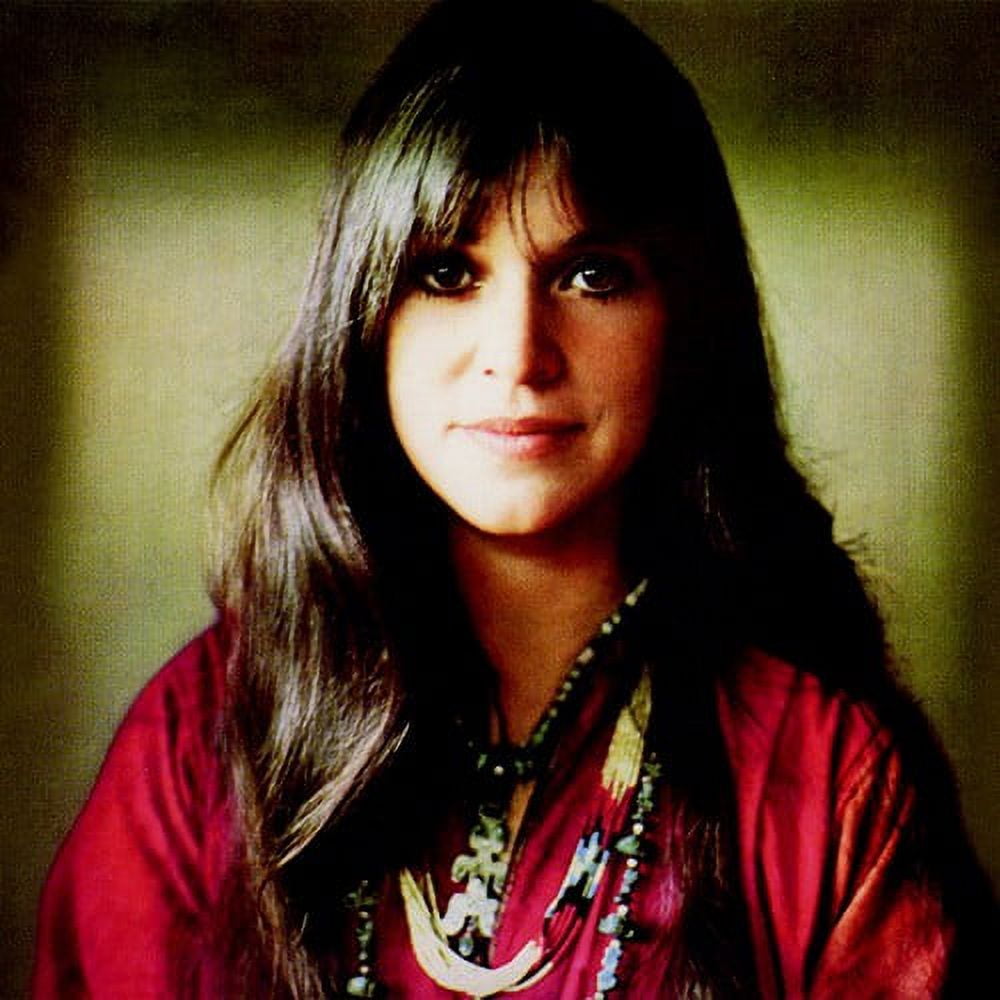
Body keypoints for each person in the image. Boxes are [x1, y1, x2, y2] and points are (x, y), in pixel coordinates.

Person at [33, 1, 995, 996]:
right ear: (362, 324)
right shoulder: (200, 744)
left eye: (591, 275)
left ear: (685, 318)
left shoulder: (826, 775)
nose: (518, 355)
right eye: (448, 273)